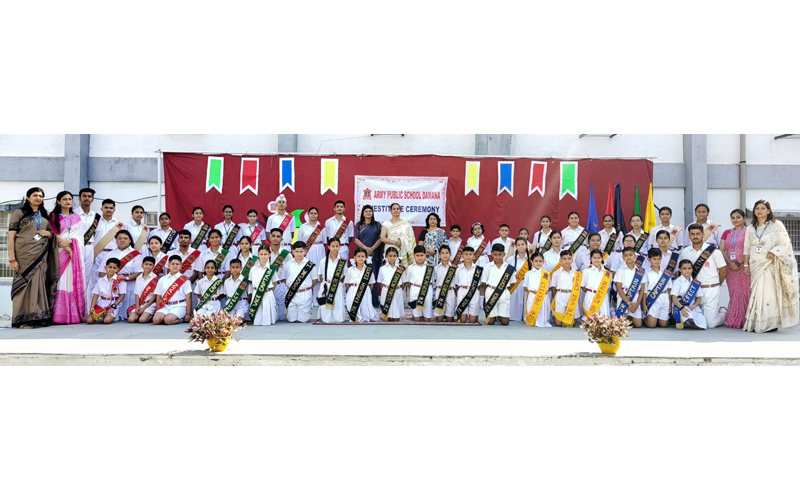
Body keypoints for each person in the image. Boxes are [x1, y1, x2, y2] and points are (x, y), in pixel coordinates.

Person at [743, 199, 800, 332]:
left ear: (768, 211)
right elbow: (746, 248)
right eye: (757, 208)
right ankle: (756, 322)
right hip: (755, 264)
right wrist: (745, 265)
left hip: (769, 263)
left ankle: (770, 323)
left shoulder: (776, 225)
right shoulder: (751, 228)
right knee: (757, 293)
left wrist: (774, 252)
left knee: (768, 293)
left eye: (763, 208)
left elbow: (785, 243)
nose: (759, 210)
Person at [9, 187, 58, 328]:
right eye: (35, 195)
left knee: (38, 285)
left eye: (41, 196)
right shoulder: (19, 213)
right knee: (23, 286)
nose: (38, 198)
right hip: (23, 255)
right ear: (28, 197)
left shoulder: (44, 215)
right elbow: (11, 236)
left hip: (40, 255)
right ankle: (22, 319)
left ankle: (36, 317)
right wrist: (12, 258)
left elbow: (50, 233)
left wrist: (49, 235)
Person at [678, 224, 728, 328]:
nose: (695, 236)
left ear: (703, 234)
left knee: (709, 324)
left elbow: (723, 271)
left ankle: (724, 314)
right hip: (692, 291)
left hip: (710, 290)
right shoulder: (685, 252)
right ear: (689, 236)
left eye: (698, 234)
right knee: (695, 320)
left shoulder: (714, 251)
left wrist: (716, 285)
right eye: (692, 234)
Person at [48, 191, 86, 324]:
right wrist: (66, 247)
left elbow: (79, 237)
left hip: (73, 253)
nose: (68, 201)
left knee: (71, 282)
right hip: (59, 251)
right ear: (58, 201)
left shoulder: (76, 218)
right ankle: (58, 315)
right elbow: (52, 233)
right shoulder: (53, 216)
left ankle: (72, 315)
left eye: (70, 199)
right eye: (64, 199)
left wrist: (70, 244)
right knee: (60, 281)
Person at [100, 230, 143, 321]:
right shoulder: (109, 254)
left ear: (130, 240)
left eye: (125, 238)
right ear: (116, 240)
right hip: (113, 284)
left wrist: (126, 278)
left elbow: (139, 272)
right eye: (119, 238)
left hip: (130, 283)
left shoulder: (136, 254)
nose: (122, 240)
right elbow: (102, 271)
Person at [720, 209, 750, 329]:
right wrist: (730, 263)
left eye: (738, 217)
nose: (735, 220)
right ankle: (734, 319)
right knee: (734, 294)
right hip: (730, 268)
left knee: (745, 293)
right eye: (733, 217)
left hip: (744, 267)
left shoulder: (749, 232)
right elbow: (721, 249)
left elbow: (750, 249)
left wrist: (739, 262)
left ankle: (746, 320)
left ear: (744, 218)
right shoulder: (726, 232)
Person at [89, 199, 121, 306]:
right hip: (96, 253)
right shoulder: (95, 222)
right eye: (106, 207)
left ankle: (108, 307)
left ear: (114, 209)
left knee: (110, 281)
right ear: (101, 208)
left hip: (112, 255)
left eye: (111, 208)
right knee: (94, 281)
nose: (108, 210)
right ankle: (92, 307)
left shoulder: (118, 224)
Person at [353, 204, 383, 305]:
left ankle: (374, 301)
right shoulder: (358, 224)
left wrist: (372, 248)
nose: (368, 213)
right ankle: (362, 300)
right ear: (363, 213)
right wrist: (365, 249)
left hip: (374, 254)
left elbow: (380, 238)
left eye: (370, 211)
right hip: (361, 254)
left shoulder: (378, 225)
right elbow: (356, 238)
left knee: (372, 276)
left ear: (372, 213)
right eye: (366, 211)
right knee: (362, 276)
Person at [153, 255, 193, 325]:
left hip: (179, 305)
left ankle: (181, 318)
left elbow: (188, 297)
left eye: (177, 264)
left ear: (181, 266)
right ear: (168, 265)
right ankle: (167, 317)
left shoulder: (184, 280)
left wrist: (188, 314)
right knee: (156, 320)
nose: (175, 266)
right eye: (172, 264)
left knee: (168, 320)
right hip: (165, 305)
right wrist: (158, 309)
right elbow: (158, 295)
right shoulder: (162, 279)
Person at [297, 206, 328, 298]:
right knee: (309, 272)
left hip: (319, 250)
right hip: (308, 251)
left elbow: (325, 241)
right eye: (311, 213)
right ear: (308, 215)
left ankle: (318, 297)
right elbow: (300, 241)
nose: (313, 215)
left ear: (318, 215)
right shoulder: (303, 227)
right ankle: (309, 297)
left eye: (315, 213)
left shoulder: (322, 228)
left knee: (319, 272)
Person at [482, 243, 515, 326]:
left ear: (504, 254)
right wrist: (493, 289)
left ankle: (500, 315)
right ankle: (494, 315)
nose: (497, 257)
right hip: (491, 292)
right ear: (492, 254)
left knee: (505, 322)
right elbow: (484, 282)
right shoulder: (488, 266)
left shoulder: (509, 267)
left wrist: (503, 290)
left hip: (503, 292)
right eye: (495, 254)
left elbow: (512, 283)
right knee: (490, 322)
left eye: (500, 254)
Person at [284, 241, 317, 323]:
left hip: (304, 294)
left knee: (303, 320)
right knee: (291, 319)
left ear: (305, 252)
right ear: (293, 252)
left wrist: (306, 287)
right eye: (297, 251)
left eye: (301, 251)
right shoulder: (288, 264)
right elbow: (285, 278)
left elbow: (315, 280)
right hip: (291, 294)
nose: (299, 254)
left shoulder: (310, 265)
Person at [77, 187, 98, 311]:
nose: (87, 198)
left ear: (93, 199)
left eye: (89, 196)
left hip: (90, 248)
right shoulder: (73, 213)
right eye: (84, 196)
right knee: (76, 277)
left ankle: (84, 308)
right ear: (79, 198)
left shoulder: (96, 216)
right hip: (76, 247)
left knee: (87, 278)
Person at [317, 238, 347, 324]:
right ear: (329, 247)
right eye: (333, 246)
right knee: (326, 308)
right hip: (326, 285)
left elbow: (344, 275)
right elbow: (321, 275)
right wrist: (326, 283)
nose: (335, 248)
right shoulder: (323, 261)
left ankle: (338, 318)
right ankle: (326, 318)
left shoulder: (343, 261)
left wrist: (337, 282)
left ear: (340, 247)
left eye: (337, 246)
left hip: (337, 285)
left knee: (337, 304)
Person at [86, 258, 125, 325]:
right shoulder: (100, 280)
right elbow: (96, 294)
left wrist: (113, 306)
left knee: (106, 321)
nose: (112, 269)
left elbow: (122, 295)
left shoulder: (120, 281)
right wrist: (92, 307)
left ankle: (112, 315)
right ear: (105, 267)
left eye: (114, 268)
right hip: (101, 303)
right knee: (89, 320)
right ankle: (103, 314)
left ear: (118, 270)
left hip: (113, 303)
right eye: (110, 267)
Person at [345, 247, 379, 323]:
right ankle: (354, 316)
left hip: (365, 291)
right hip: (353, 289)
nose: (360, 258)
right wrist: (351, 290)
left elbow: (371, 284)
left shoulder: (369, 270)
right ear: (354, 257)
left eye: (363, 256)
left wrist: (366, 290)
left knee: (365, 306)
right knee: (352, 305)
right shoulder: (350, 270)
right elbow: (347, 283)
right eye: (358, 256)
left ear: (366, 258)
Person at [614, 247, 645, 328]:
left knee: (638, 325)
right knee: (620, 325)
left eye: (631, 255)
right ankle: (626, 317)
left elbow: (642, 290)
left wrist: (637, 304)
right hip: (623, 299)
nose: (628, 257)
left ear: (635, 256)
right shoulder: (620, 271)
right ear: (623, 257)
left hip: (635, 298)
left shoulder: (640, 271)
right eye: (626, 255)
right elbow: (619, 289)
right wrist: (629, 303)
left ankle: (630, 317)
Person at [671, 260, 707, 329]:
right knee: (689, 316)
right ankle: (685, 321)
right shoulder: (677, 282)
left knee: (702, 324)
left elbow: (698, 298)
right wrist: (681, 308)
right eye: (684, 268)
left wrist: (694, 306)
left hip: (692, 307)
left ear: (692, 269)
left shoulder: (695, 282)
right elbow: (674, 298)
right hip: (680, 306)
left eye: (689, 268)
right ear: (680, 270)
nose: (687, 270)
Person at [248, 245, 279, 326]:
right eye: (261, 254)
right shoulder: (253, 269)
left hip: (267, 293)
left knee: (267, 319)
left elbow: (274, 283)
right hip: (256, 294)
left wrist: (268, 291)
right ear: (258, 255)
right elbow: (251, 283)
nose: (263, 256)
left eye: (265, 254)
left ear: (269, 255)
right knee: (257, 320)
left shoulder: (272, 269)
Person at [642, 248, 672, 328]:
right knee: (651, 325)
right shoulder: (646, 273)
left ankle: (656, 318)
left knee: (664, 325)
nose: (657, 261)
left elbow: (669, 290)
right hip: (652, 298)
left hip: (664, 298)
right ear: (648, 259)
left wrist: (670, 305)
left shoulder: (666, 273)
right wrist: (644, 305)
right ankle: (645, 318)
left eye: (659, 258)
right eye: (654, 259)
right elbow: (644, 291)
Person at [550, 250, 582, 327]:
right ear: (560, 260)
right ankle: (555, 317)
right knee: (559, 323)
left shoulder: (577, 274)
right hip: (560, 295)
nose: (567, 261)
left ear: (572, 260)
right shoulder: (556, 273)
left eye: (569, 258)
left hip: (572, 296)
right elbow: (553, 287)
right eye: (564, 259)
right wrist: (555, 298)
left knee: (571, 323)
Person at [405, 246, 435, 322]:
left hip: (427, 291)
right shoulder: (410, 268)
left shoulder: (430, 268)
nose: (420, 258)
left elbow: (434, 280)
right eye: (417, 256)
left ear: (425, 255)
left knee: (427, 319)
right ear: (414, 256)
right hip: (415, 291)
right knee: (417, 318)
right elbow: (408, 282)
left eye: (422, 255)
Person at [380, 203, 415, 268]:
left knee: (403, 271)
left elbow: (411, 239)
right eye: (394, 209)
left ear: (400, 211)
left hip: (404, 249)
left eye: (397, 209)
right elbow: (382, 238)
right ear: (391, 212)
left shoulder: (406, 224)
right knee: (391, 268)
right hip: (391, 250)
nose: (396, 210)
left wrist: (402, 242)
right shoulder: (386, 223)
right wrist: (395, 243)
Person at [580, 249, 612, 318]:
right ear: (590, 259)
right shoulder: (586, 271)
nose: (596, 260)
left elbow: (608, 287)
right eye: (594, 258)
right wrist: (591, 292)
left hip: (603, 297)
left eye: (598, 258)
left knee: (604, 320)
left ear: (602, 258)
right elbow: (583, 286)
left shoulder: (607, 273)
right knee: (591, 320)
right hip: (591, 296)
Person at [523, 252, 552, 327]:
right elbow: (525, 287)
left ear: (543, 262)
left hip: (543, 296)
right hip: (532, 295)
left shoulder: (546, 274)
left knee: (543, 311)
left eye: (540, 261)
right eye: (536, 261)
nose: (538, 263)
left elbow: (549, 286)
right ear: (531, 262)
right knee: (532, 311)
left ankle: (543, 321)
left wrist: (541, 293)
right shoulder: (528, 274)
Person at [377, 247, 406, 321]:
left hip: (397, 291)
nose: (392, 258)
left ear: (397, 256)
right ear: (386, 256)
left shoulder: (401, 269)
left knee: (396, 318)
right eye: (390, 256)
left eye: (394, 256)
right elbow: (380, 283)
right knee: (387, 318)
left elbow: (404, 282)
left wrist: (396, 288)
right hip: (386, 291)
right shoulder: (382, 269)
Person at [454, 247, 482, 324]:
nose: (468, 256)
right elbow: (457, 283)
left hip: (474, 291)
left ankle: (475, 314)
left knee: (473, 320)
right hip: (462, 291)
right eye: (466, 254)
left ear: (474, 256)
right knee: (463, 320)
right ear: (462, 256)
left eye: (470, 254)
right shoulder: (458, 268)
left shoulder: (478, 269)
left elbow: (480, 284)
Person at [128, 256, 158, 324]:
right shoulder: (138, 278)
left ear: (153, 266)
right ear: (142, 265)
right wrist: (138, 306)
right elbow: (137, 293)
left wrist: (144, 308)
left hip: (149, 305)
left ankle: (151, 315)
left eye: (150, 265)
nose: (148, 266)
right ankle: (142, 313)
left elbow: (154, 296)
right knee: (131, 319)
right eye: (146, 264)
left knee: (142, 320)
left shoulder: (155, 279)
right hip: (140, 304)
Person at [506, 237, 530, 321]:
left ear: (526, 245)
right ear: (515, 246)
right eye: (518, 245)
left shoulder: (531, 259)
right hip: (515, 284)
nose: (521, 247)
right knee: (515, 302)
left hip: (527, 284)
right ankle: (515, 317)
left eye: (523, 244)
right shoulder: (510, 259)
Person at [268, 228, 289, 321]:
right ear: (269, 237)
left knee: (282, 316)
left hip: (282, 285)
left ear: (282, 239)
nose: (275, 238)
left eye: (278, 236)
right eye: (273, 236)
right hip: (268, 285)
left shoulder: (286, 254)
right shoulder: (265, 253)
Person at [433, 245, 457, 322]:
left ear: (450, 254)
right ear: (439, 255)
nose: (445, 255)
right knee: (439, 319)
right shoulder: (436, 268)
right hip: (440, 291)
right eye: (442, 253)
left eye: (447, 253)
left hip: (450, 291)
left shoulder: (454, 268)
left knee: (450, 318)